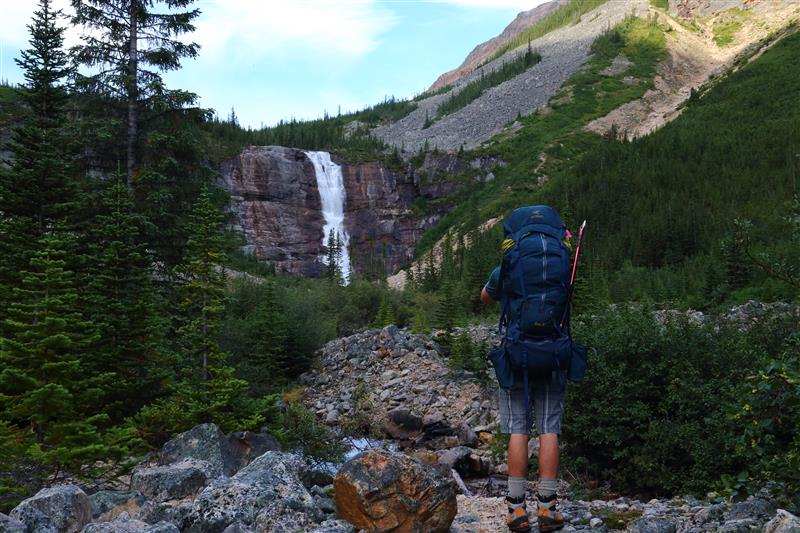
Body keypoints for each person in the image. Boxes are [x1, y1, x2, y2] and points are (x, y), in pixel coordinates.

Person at [481, 266, 566, 533]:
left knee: (518, 429)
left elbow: (485, 297)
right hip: (553, 355)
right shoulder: (560, 263)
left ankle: (517, 510)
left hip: (517, 354)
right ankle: (547, 510)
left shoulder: (509, 264)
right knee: (549, 429)